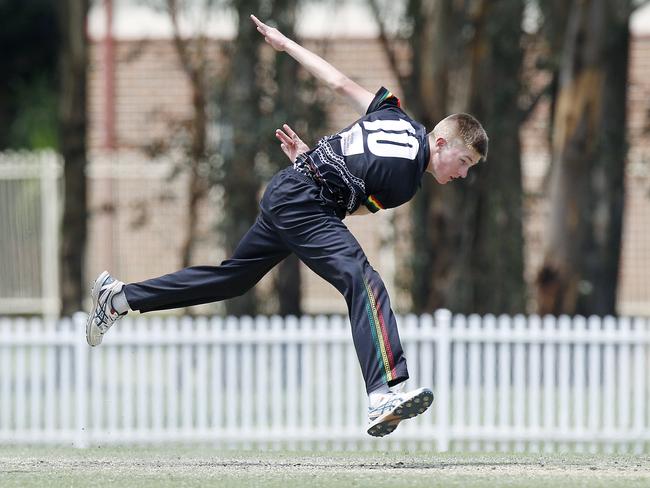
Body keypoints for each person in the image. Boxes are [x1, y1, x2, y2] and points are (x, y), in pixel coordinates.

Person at [86, 14, 488, 438]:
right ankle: (383, 392)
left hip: (291, 190)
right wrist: (315, 169)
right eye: (463, 162)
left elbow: (338, 83)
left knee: (232, 280)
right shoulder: (405, 180)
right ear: (441, 144)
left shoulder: (396, 113)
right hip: (305, 202)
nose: (461, 174)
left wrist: (285, 46)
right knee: (364, 282)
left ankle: (119, 299)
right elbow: (355, 209)